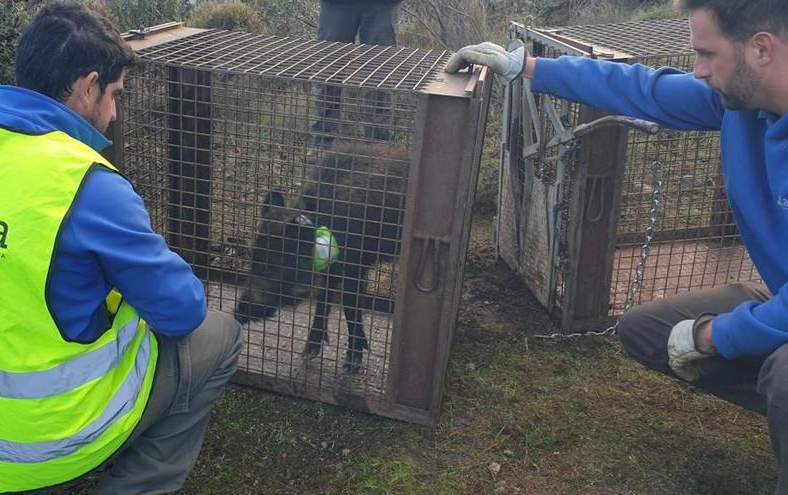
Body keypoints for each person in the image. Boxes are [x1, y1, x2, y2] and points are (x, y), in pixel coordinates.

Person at [447, 0, 788, 491]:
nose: (699, 70)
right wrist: (528, 66)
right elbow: (641, 88)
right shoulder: (743, 100)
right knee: (647, 331)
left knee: (784, 372)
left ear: (761, 49)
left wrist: (715, 336)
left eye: (708, 54)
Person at [0, 1, 242, 493]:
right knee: (220, 334)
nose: (112, 114)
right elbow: (182, 311)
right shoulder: (85, 183)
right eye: (115, 95)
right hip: (53, 443)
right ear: (89, 86)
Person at [312, 0, 403, 147]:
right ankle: (322, 145)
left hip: (382, 5)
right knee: (329, 74)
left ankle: (379, 150)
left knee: (379, 79)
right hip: (336, 5)